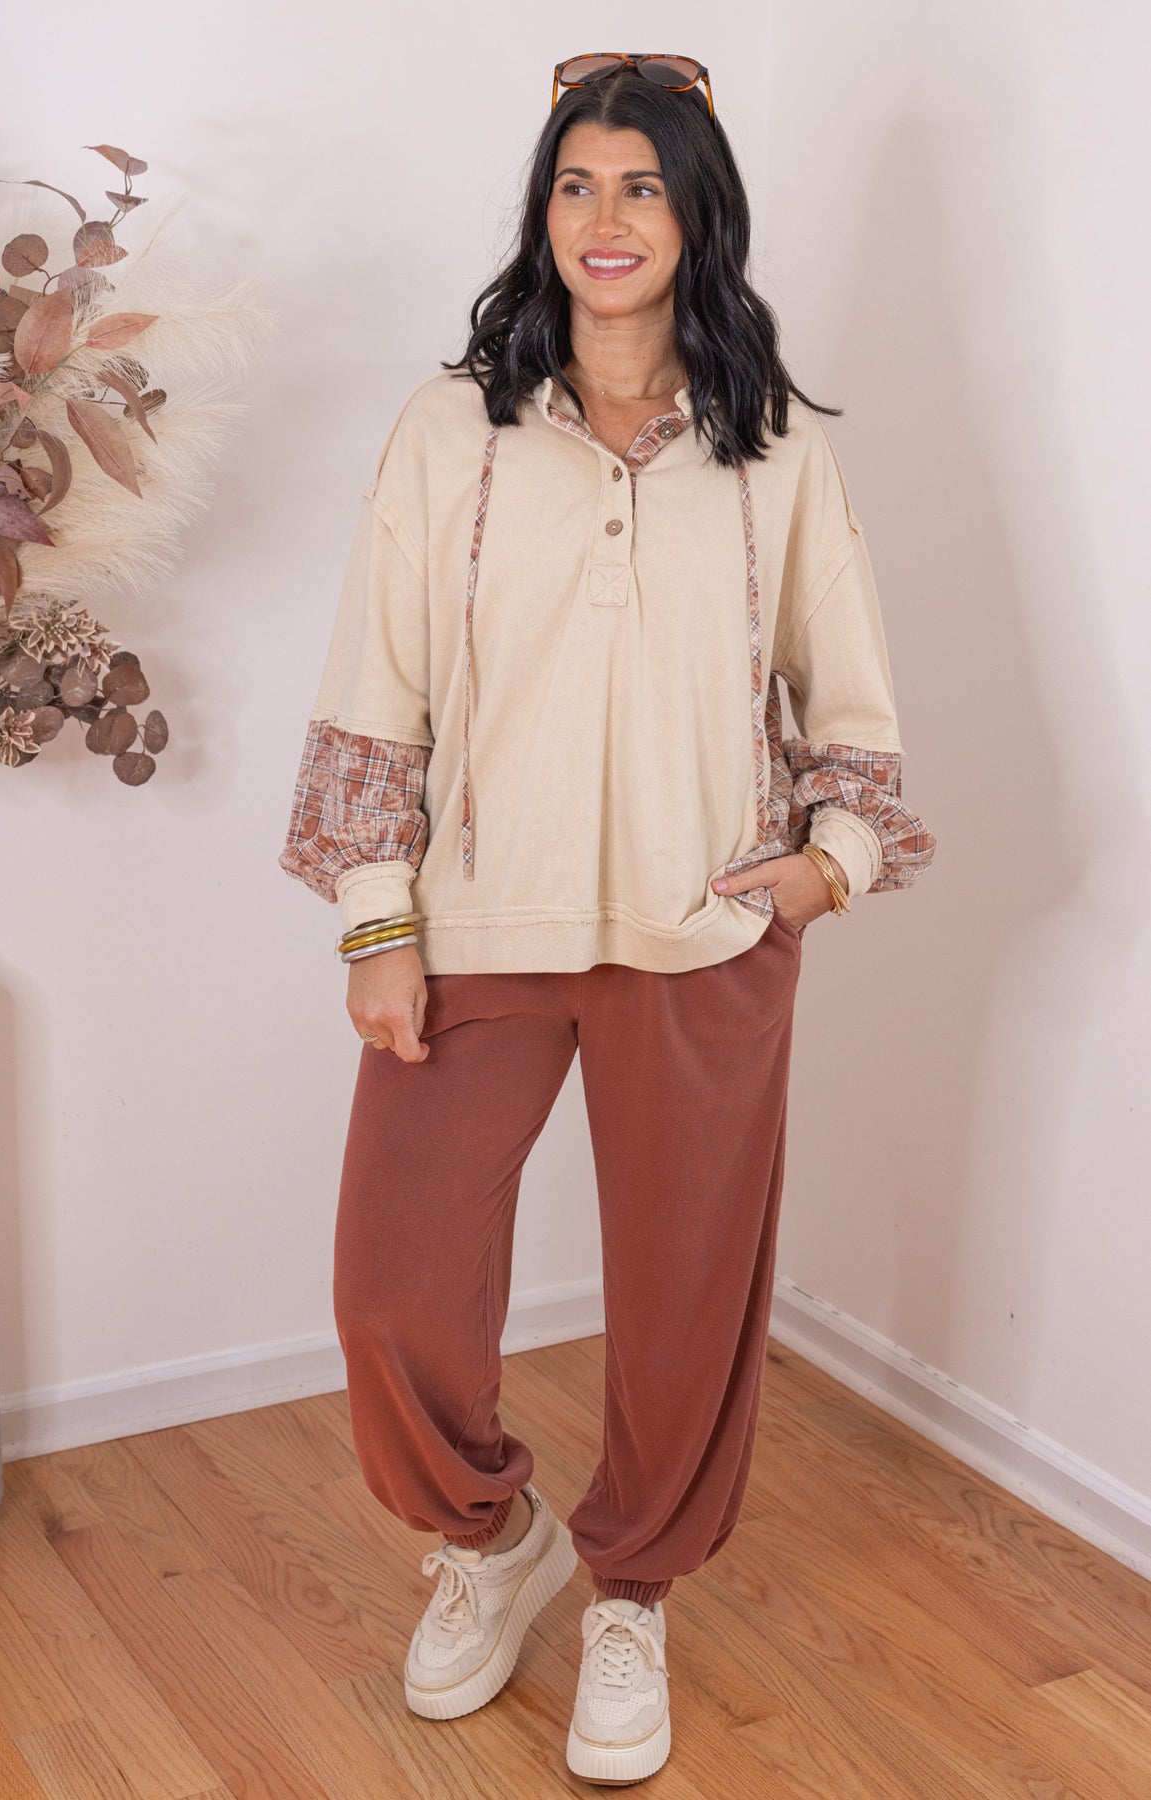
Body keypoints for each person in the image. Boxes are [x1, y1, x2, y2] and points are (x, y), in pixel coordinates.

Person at [280, 51, 936, 1788]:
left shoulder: (775, 450)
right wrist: (376, 920)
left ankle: (632, 1591)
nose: (605, 217)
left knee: (682, 1304)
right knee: (390, 1291)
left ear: (696, 212)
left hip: (701, 935)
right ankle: (493, 1545)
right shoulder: (450, 430)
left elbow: (853, 713)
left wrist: (824, 869)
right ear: (542, 212)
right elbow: (375, 690)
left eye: (641, 185)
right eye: (576, 183)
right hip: (476, 930)